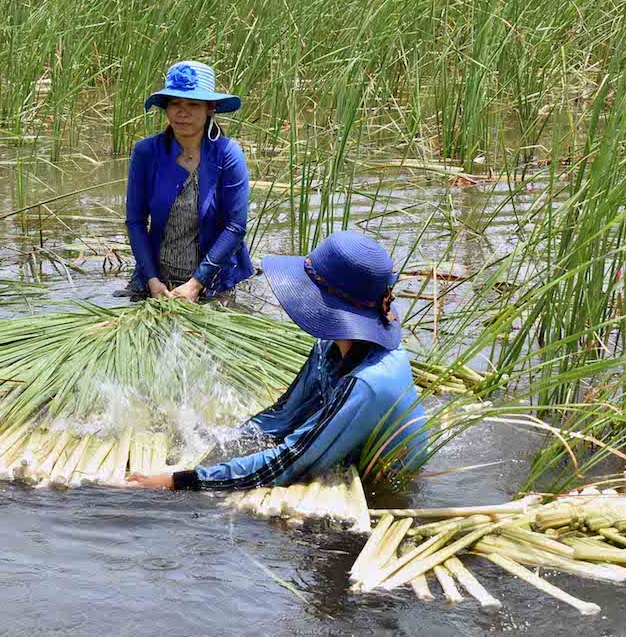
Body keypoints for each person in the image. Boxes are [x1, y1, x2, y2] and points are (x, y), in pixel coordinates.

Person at [127, 230, 428, 490]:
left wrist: (180, 481)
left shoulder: (367, 384)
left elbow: (291, 461)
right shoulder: (329, 347)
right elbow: (283, 417)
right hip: (343, 454)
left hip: (383, 483)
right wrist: (214, 443)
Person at [115, 60, 254, 303]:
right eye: (175, 103)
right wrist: (152, 280)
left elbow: (235, 227)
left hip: (213, 282)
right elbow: (135, 221)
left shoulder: (228, 154)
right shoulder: (147, 152)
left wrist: (196, 283)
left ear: (210, 108)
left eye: (193, 104)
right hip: (156, 281)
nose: (182, 112)